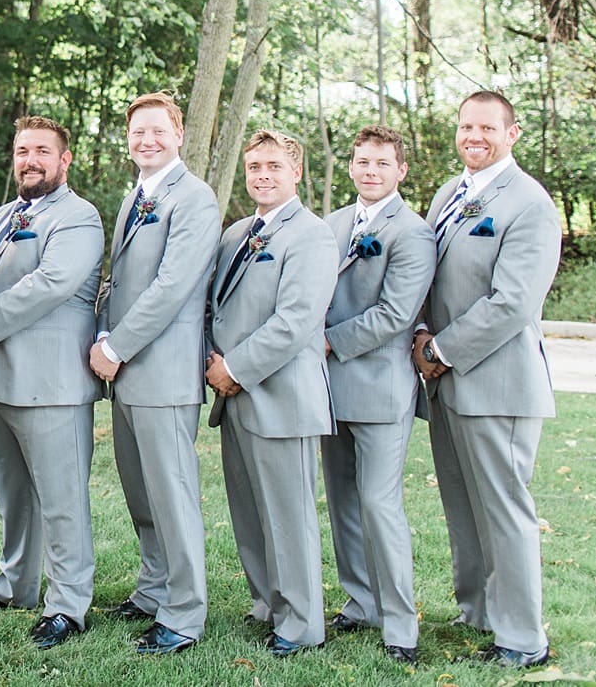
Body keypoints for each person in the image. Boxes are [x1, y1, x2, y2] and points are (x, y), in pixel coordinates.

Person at [413, 91, 560, 669]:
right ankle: (477, 609)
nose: (474, 136)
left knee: (503, 508)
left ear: (512, 133)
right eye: (466, 126)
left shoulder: (529, 203)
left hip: (497, 380)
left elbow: (514, 302)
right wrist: (422, 332)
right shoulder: (450, 194)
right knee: (462, 502)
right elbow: (424, 272)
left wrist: (442, 349)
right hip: (446, 379)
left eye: (487, 128)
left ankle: (524, 639)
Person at [0, 115, 102, 650]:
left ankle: (68, 603)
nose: (31, 160)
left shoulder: (79, 217)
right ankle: (16, 582)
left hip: (52, 382)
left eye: (43, 151)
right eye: (23, 151)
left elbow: (53, 283)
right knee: (13, 493)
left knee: (61, 498)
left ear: (64, 160)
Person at [88, 93, 218, 656]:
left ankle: (184, 613)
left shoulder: (194, 198)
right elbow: (119, 281)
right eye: (138, 132)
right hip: (127, 373)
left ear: (179, 134)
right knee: (140, 490)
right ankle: (153, 586)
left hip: (162, 374)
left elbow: (173, 287)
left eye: (158, 131)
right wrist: (99, 332)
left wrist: (116, 345)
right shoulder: (135, 197)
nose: (147, 140)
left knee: (172, 494)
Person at [205, 130, 334, 658]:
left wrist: (234, 366)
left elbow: (296, 321)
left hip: (281, 396)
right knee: (250, 511)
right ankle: (268, 603)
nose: (262, 174)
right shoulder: (237, 232)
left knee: (288, 516)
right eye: (254, 165)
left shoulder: (312, 235)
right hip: (233, 396)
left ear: (296, 172)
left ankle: (302, 623)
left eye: (274, 166)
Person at [321, 125, 435, 665]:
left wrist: (325, 341)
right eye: (362, 161)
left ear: (400, 170)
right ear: (351, 166)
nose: (370, 171)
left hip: (380, 388)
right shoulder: (333, 224)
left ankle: (400, 624)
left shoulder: (412, 232)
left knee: (378, 502)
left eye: (382, 163)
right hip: (328, 389)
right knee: (342, 501)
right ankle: (360, 600)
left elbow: (395, 315)